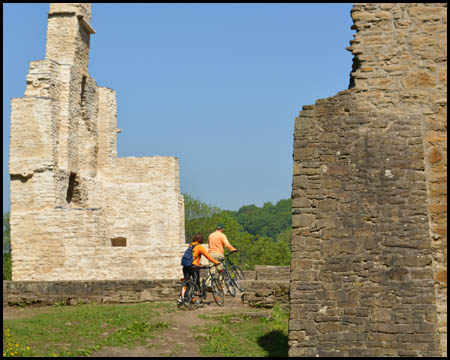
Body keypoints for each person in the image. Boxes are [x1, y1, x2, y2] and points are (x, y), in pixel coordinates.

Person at [179, 232, 220, 304]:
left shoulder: (190, 245)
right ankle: (197, 300)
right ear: (201, 239)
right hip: (194, 267)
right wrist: (216, 262)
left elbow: (193, 256)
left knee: (187, 282)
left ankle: (185, 299)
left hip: (185, 266)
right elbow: (208, 256)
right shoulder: (199, 247)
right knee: (196, 283)